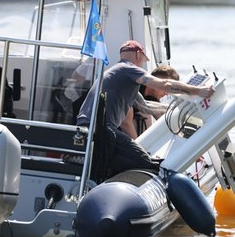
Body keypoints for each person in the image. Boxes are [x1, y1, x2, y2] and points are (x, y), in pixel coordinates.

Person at [76, 40, 215, 179]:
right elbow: (165, 84)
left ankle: (101, 165)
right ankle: (101, 168)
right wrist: (198, 91)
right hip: (101, 129)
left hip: (89, 128)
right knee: (143, 161)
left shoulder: (119, 74)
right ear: (138, 55)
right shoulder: (128, 69)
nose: (142, 64)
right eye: (143, 60)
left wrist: (179, 109)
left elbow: (146, 107)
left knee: (143, 159)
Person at [123, 65, 180, 137]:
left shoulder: (153, 97)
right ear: (156, 82)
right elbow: (125, 123)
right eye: (167, 87)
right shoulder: (134, 89)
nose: (167, 93)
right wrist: (138, 147)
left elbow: (163, 120)